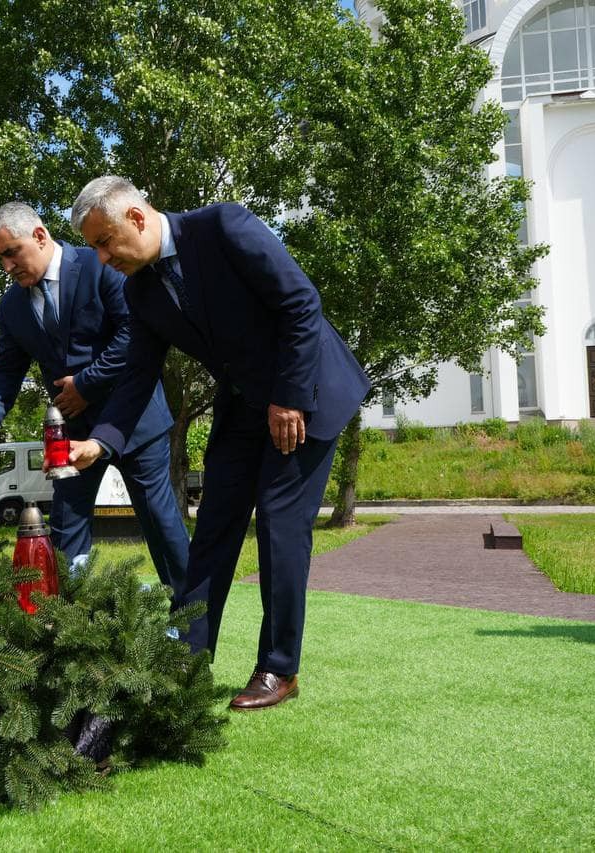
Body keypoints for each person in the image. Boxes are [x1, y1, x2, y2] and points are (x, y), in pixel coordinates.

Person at [67, 176, 370, 710]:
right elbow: (138, 375)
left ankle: (279, 669)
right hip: (242, 408)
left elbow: (300, 303)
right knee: (212, 531)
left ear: (137, 218)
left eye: (105, 242)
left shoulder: (225, 225)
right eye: (94, 247)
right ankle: (185, 660)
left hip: (306, 393)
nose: (101, 257)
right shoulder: (140, 291)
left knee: (279, 524)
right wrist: (101, 442)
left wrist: (289, 397)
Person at [0, 202, 189, 595]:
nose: (7, 267)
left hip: (134, 422)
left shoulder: (99, 266)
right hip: (71, 436)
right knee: (64, 531)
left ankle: (192, 624)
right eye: (0, 259)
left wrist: (86, 384)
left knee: (161, 525)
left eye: (11, 253)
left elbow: (135, 334)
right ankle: (66, 624)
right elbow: (7, 368)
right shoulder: (11, 306)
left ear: (40, 236)